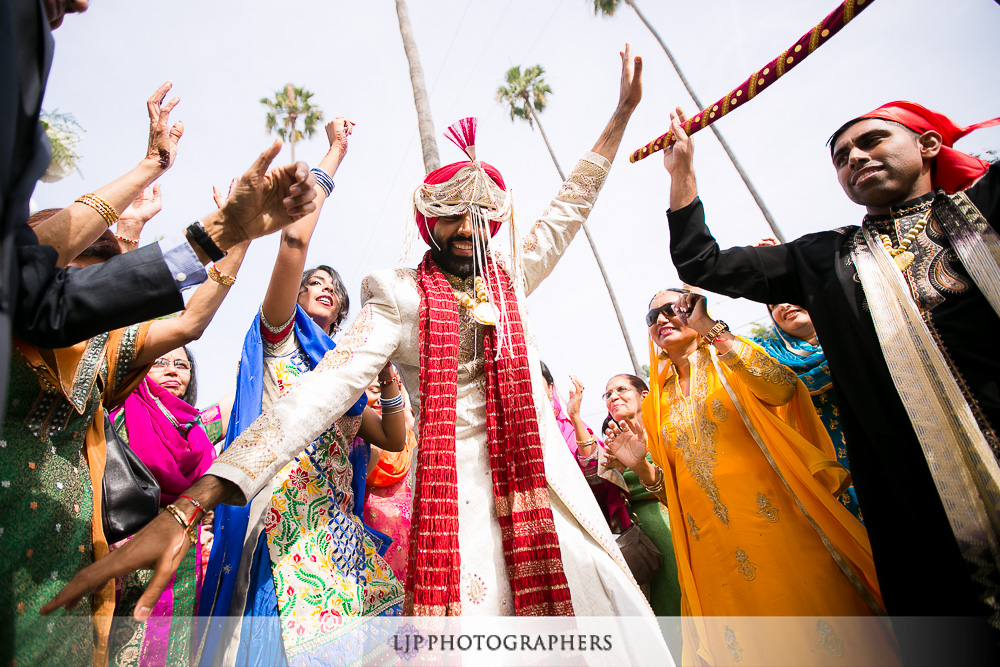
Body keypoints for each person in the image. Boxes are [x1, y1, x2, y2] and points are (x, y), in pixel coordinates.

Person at [46, 44, 672, 665]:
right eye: (453, 215)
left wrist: (621, 114)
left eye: (481, 215)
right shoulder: (396, 295)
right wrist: (196, 500)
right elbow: (319, 396)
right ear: (429, 225)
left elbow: (569, 209)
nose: (468, 227)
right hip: (460, 506)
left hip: (545, 488)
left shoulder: (509, 273)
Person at [661, 102, 1000, 660]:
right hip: (911, 487)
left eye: (872, 141)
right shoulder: (824, 257)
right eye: (843, 158)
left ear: (930, 145)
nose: (856, 158)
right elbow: (702, 263)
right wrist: (682, 174)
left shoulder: (985, 209)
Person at [0, 0, 318, 424]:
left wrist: (229, 232)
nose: (82, 6)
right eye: (73, 271)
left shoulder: (99, 350)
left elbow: (186, 322)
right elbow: (25, 270)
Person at [197, 118, 407, 666]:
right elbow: (294, 239)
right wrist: (333, 155)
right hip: (279, 520)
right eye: (312, 282)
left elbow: (391, 434)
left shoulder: (344, 376)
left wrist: (385, 381)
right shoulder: (280, 337)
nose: (321, 289)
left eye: (332, 290)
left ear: (341, 312)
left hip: (335, 536)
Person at [2, 205, 248, 666]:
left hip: (73, 547)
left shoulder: (103, 352)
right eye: (70, 282)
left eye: (96, 288)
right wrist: (141, 180)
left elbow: (189, 323)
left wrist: (242, 238)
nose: (82, 302)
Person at [603, 287, 898, 664]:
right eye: (652, 317)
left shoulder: (728, 354)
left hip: (777, 524)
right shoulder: (658, 399)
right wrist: (641, 467)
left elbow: (781, 388)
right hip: (713, 552)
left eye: (671, 309)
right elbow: (674, 494)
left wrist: (712, 329)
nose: (661, 319)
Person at [107, 345, 218, 666]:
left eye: (182, 365)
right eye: (161, 362)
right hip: (121, 553)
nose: (173, 371)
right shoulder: (114, 414)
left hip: (183, 566)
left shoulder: (197, 431)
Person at [750, 286, 863, 523]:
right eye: (774, 306)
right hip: (828, 458)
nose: (783, 306)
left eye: (788, 297)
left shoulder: (854, 328)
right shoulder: (769, 355)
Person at [595, 373, 682, 618]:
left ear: (644, 395)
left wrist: (639, 465)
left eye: (621, 389)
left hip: (675, 524)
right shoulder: (611, 447)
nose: (614, 396)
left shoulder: (668, 429)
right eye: (608, 394)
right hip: (637, 541)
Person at [362, 371, 416, 583]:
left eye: (395, 388)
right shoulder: (354, 446)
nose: (386, 396)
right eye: (376, 390)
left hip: (413, 557)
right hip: (369, 559)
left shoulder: (413, 442)